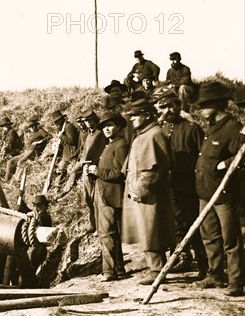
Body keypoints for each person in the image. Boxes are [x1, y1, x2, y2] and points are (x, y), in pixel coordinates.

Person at [193, 82, 245, 297]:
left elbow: (241, 153)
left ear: (216, 104)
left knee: (230, 239)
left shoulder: (233, 127)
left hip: (223, 195)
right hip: (205, 192)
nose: (201, 110)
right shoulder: (212, 126)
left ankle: (236, 281)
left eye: (204, 105)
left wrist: (223, 165)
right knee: (210, 236)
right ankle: (215, 275)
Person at [122, 98, 175, 285]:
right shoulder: (144, 134)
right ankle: (155, 267)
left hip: (149, 194)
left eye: (135, 115)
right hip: (142, 192)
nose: (132, 119)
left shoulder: (153, 135)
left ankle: (157, 269)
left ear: (146, 115)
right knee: (147, 229)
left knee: (152, 229)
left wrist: (139, 190)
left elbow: (154, 170)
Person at [156, 89, 207, 277]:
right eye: (162, 107)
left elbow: (203, 157)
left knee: (194, 222)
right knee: (176, 223)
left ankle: (203, 263)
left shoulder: (192, 128)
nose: (165, 111)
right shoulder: (164, 129)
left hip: (189, 184)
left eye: (168, 106)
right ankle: (183, 258)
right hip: (171, 184)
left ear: (176, 106)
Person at [88, 111, 129, 281]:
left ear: (119, 127)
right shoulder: (110, 144)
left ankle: (109, 271)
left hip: (110, 194)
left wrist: (97, 171)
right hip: (104, 191)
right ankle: (119, 269)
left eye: (110, 126)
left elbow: (119, 173)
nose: (106, 129)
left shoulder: (120, 145)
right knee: (110, 232)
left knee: (106, 232)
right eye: (104, 127)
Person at [4, 116, 49, 182]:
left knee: (20, 161)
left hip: (34, 151)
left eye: (33, 126)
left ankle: (16, 180)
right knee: (10, 162)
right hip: (27, 151)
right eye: (30, 127)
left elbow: (49, 136)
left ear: (36, 125)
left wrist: (40, 141)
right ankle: (6, 180)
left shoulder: (41, 131)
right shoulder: (30, 134)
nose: (31, 128)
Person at [49, 110, 80, 191]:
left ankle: (58, 187)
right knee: (57, 167)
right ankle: (55, 185)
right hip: (65, 153)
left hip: (72, 153)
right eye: (55, 122)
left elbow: (71, 141)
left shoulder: (68, 127)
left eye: (57, 121)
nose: (56, 124)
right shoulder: (61, 129)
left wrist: (61, 136)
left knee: (61, 168)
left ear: (61, 119)